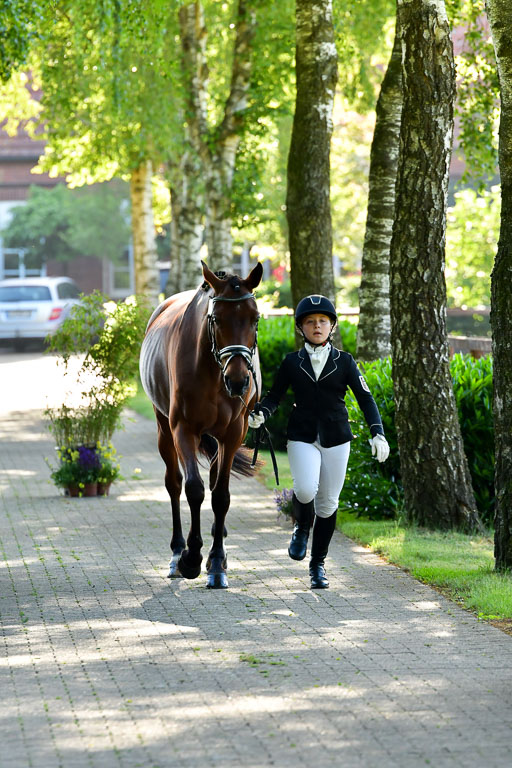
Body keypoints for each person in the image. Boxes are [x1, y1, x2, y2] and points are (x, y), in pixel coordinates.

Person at [248, 295, 389, 590]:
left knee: (327, 504)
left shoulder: (345, 361)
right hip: (301, 436)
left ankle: (318, 565)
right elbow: (275, 396)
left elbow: (365, 397)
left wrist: (378, 432)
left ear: (332, 326)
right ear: (301, 327)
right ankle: (300, 527)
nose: (317, 326)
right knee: (304, 488)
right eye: (310, 322)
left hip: (337, 438)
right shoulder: (291, 362)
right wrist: (262, 412)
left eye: (322, 321)